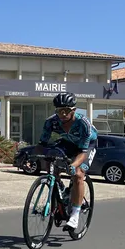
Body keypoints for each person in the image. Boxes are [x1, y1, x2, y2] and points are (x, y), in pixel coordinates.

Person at [34, 92, 98, 230]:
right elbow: (41, 145)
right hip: (67, 143)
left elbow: (82, 152)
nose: (63, 114)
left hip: (87, 146)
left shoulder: (83, 123)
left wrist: (73, 165)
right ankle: (61, 189)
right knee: (51, 162)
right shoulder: (51, 122)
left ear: (74, 110)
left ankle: (75, 215)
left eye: (66, 110)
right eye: (59, 111)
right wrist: (34, 156)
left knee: (78, 174)